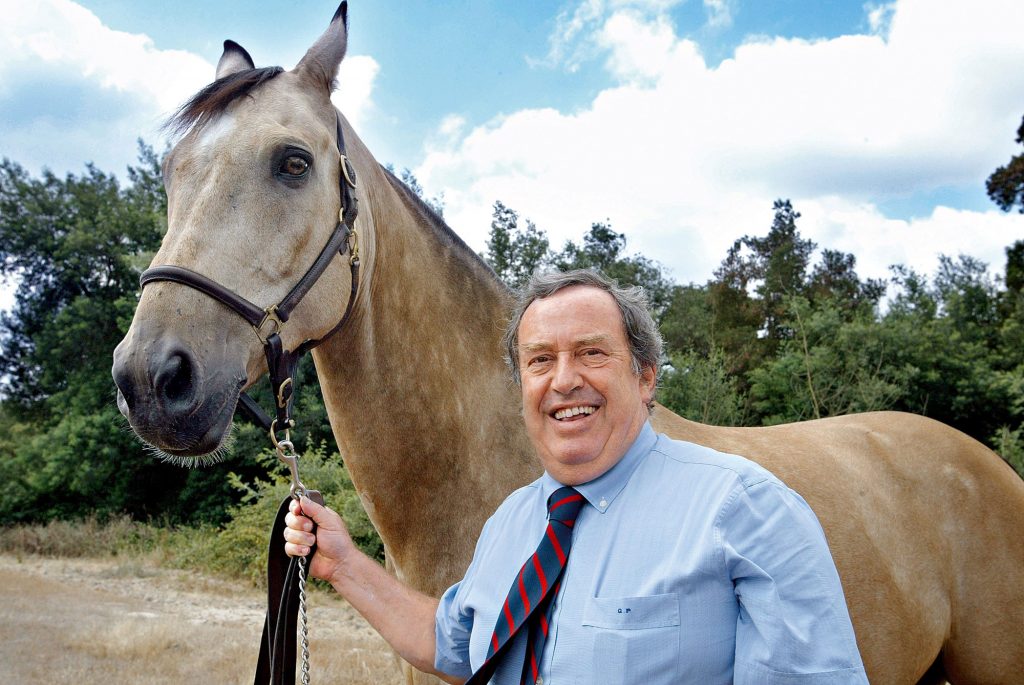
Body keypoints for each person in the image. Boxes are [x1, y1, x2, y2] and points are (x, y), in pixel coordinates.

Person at [284, 268, 868, 684]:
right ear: (523, 389)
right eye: (540, 360)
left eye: (591, 353)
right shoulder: (512, 522)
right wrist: (343, 564)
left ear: (645, 378)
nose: (563, 380)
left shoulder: (745, 508)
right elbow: (453, 646)